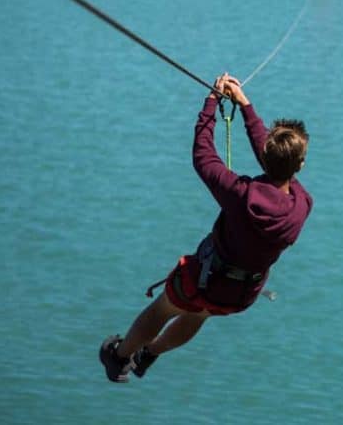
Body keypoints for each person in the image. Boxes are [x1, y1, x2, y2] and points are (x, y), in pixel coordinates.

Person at [100, 73, 311, 382]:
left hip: (204, 279)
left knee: (163, 310)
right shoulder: (302, 205)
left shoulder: (241, 195)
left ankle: (118, 359)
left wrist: (211, 102)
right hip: (241, 293)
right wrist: (244, 105)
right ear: (300, 166)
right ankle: (150, 354)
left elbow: (203, 156)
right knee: (200, 313)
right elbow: (275, 162)